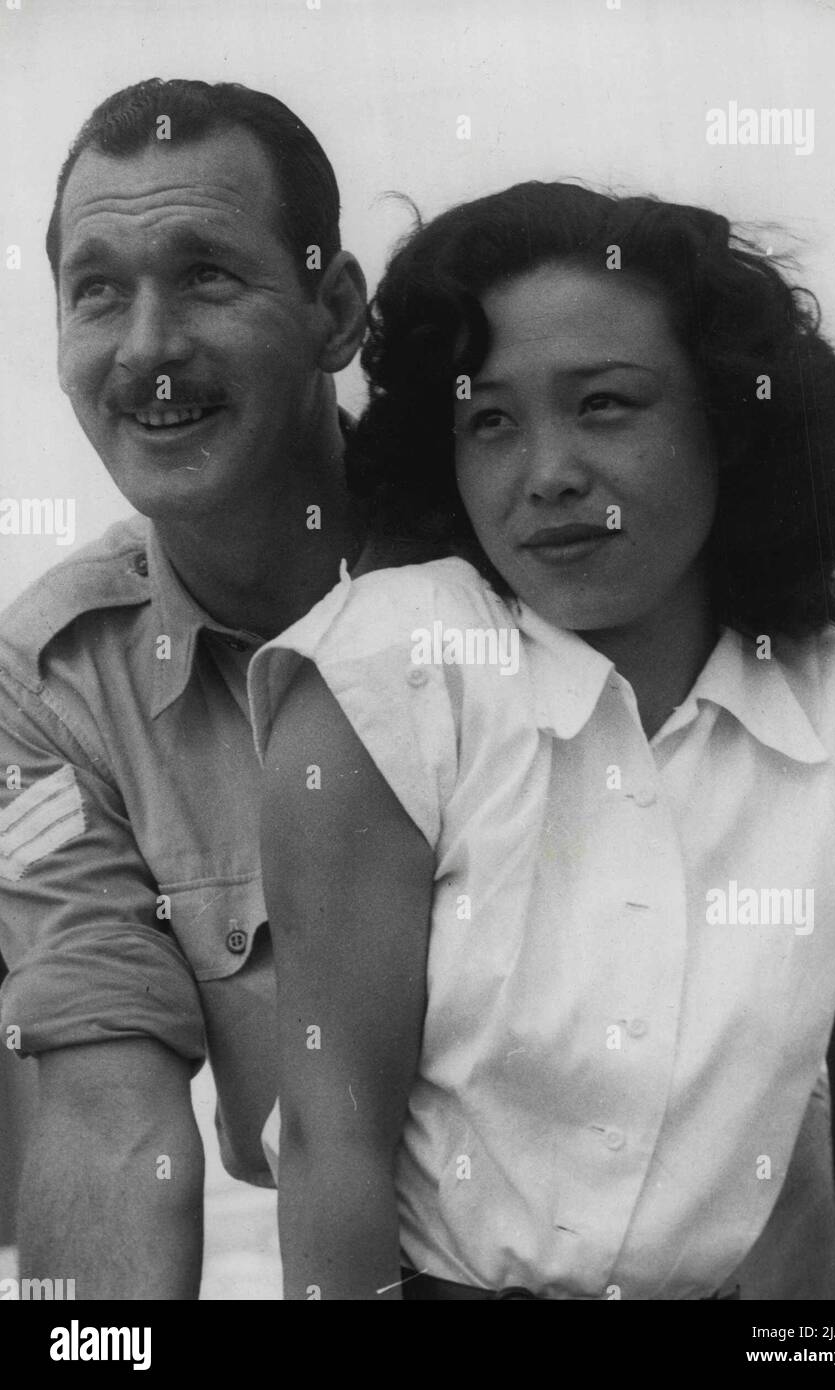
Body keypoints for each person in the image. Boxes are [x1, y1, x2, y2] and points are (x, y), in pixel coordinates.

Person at [252, 182, 835, 1300]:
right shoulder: (394, 667)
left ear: (727, 418)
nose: (547, 471)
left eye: (606, 404)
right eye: (490, 421)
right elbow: (336, 1143)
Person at [0, 77, 367, 1298]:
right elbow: (109, 1111)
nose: (147, 348)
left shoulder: (527, 566)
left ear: (337, 312)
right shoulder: (52, 680)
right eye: (97, 289)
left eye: (206, 272)